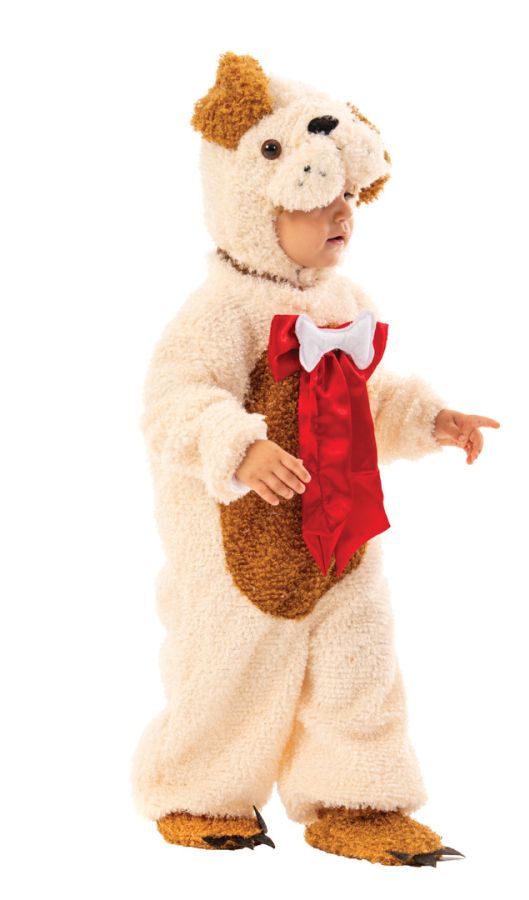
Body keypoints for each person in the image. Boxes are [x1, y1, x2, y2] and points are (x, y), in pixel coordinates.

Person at [130, 51, 500, 867]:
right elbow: (172, 402)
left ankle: (356, 800)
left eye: (349, 202)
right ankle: (196, 792)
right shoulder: (218, 311)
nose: (342, 216)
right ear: (252, 201)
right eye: (319, 203)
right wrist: (238, 444)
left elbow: (362, 398)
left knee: (360, 662)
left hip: (340, 529)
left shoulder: (343, 301)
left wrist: (428, 418)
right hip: (241, 538)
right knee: (230, 665)